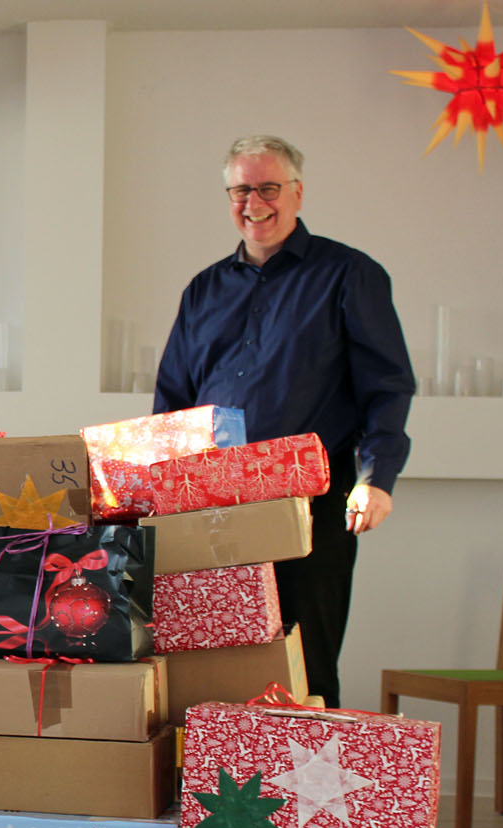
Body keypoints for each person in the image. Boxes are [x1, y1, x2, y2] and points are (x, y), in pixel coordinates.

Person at [153, 135, 415, 708]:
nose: (254, 203)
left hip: (311, 499)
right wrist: (160, 494)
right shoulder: (203, 290)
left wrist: (376, 479)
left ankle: (305, 769)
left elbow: (388, 386)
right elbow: (171, 403)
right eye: (241, 190)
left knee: (305, 661)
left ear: (297, 192)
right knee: (211, 662)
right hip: (215, 504)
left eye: (268, 188)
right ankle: (219, 768)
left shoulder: (349, 274)